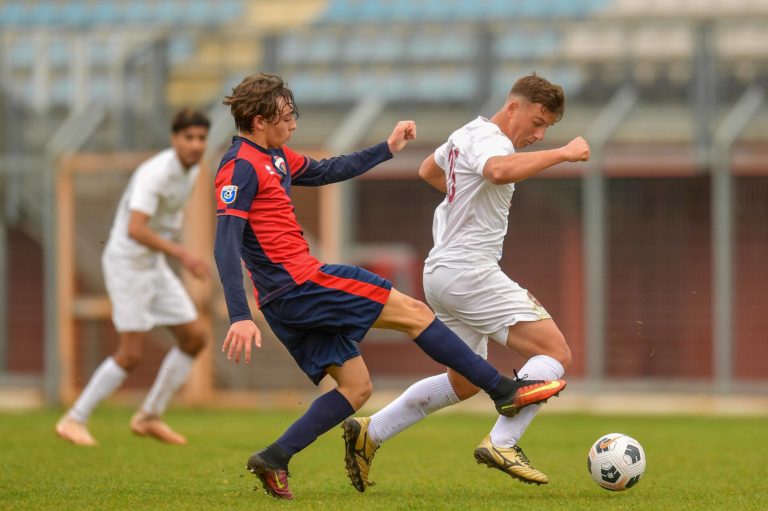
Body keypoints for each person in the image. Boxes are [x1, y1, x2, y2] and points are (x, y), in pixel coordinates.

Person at [213, 73, 566, 500]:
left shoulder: (275, 156)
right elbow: (225, 244)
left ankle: (274, 457)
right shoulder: (240, 166)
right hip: (300, 283)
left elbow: (326, 170)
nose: (293, 124)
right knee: (415, 314)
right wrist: (239, 316)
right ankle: (505, 391)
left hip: (285, 298)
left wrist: (386, 147)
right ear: (257, 121)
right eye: (285, 117)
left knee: (356, 387)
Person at [342, 73, 590, 490]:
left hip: (442, 273)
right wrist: (563, 153)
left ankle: (372, 431)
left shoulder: (466, 133)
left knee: (464, 382)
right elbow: (497, 170)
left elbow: (428, 169)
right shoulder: (494, 142)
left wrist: (466, 196)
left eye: (548, 129)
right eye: (537, 123)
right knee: (555, 351)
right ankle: (503, 442)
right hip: (470, 272)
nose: (539, 135)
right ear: (514, 107)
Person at [55, 109, 211, 447]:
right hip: (127, 263)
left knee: (195, 338)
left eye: (201, 138)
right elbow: (135, 228)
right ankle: (74, 419)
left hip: (153, 262)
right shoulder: (155, 174)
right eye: (189, 137)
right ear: (174, 139)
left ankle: (149, 415)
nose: (196, 145)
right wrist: (182, 253)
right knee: (131, 354)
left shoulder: (193, 169)